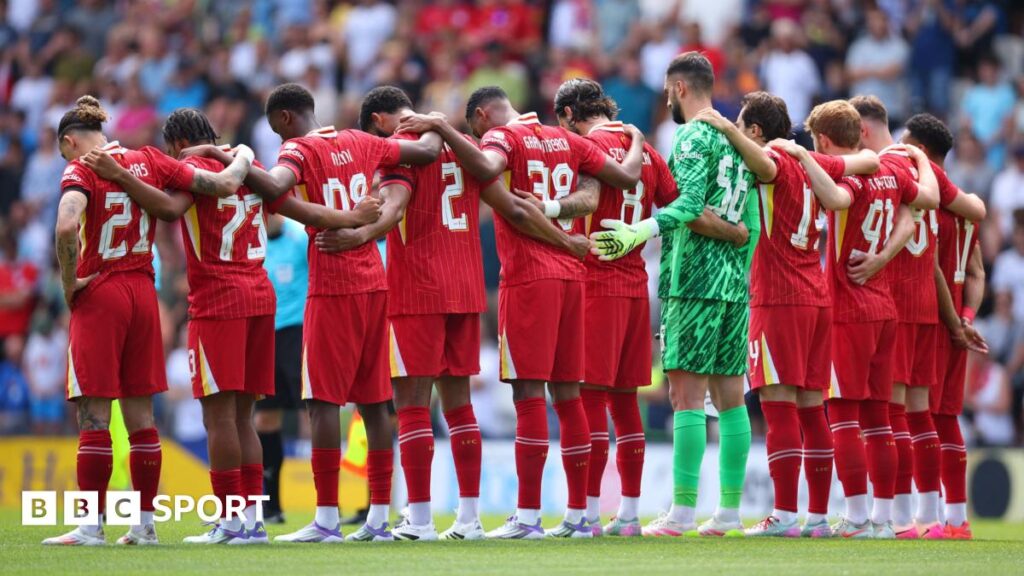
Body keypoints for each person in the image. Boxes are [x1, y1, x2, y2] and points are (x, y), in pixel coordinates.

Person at [397, 84, 644, 538]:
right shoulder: (566, 139)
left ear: (482, 116)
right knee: (568, 397)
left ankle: (528, 516)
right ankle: (579, 516)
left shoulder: (501, 138)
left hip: (530, 278)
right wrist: (639, 142)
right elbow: (625, 178)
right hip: (574, 280)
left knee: (529, 395)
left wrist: (441, 128)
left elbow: (490, 173)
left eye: (475, 131)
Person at [233, 83, 440, 543]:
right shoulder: (361, 141)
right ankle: (379, 517)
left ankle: (327, 518)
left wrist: (242, 159)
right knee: (375, 403)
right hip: (374, 283)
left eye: (275, 129)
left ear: (286, 118)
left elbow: (275, 188)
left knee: (322, 401)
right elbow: (427, 152)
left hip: (331, 285)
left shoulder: (299, 150)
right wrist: (435, 123)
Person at [44, 95, 254, 546]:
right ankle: (144, 526)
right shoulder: (150, 160)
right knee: (142, 416)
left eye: (64, 151)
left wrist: (69, 282)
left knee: (94, 414)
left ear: (70, 141)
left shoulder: (81, 170)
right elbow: (223, 185)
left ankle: (90, 526)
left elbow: (65, 227)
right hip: (144, 293)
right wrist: (245, 155)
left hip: (101, 292)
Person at [692, 92, 881, 537]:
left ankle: (784, 515)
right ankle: (817, 517)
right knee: (813, 411)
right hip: (816, 298)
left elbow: (765, 165)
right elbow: (869, 161)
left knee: (778, 410)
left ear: (755, 131)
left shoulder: (775, 158)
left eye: (742, 126)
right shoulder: (809, 160)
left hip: (778, 299)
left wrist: (724, 128)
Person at [592, 52, 759, 537]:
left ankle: (682, 512)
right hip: (733, 285)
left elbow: (687, 205)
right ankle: (728, 512)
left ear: (680, 88)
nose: (667, 99)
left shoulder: (690, 136)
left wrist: (639, 231)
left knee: (686, 395)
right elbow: (749, 222)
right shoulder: (738, 140)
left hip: (692, 281)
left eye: (668, 91)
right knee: (731, 399)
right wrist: (740, 261)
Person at [540, 78, 682, 537]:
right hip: (637, 285)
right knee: (625, 406)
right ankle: (630, 515)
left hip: (594, 284)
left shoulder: (581, 148)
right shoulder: (648, 151)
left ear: (568, 114)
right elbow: (676, 209)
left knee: (588, 401)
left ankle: (584, 514)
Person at [803, 99, 936, 539]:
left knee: (843, 416)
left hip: (848, 310)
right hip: (884, 309)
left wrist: (801, 157)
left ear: (824, 141)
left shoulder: (853, 179)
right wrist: (920, 159)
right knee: (880, 419)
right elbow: (926, 202)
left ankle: (857, 517)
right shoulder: (892, 173)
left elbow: (835, 197)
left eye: (814, 142)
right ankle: (883, 519)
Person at [851, 97, 982, 539]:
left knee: (892, 415)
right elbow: (975, 221)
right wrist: (961, 317)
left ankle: (900, 517)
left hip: (898, 303)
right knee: (925, 416)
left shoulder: (887, 169)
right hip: (929, 307)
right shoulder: (932, 177)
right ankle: (937, 517)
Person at [899, 112, 988, 539]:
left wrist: (953, 322)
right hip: (956, 324)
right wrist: (967, 319)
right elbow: (976, 272)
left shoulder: (930, 202)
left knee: (918, 416)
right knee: (947, 418)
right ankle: (956, 518)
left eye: (905, 143)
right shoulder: (965, 206)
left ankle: (927, 515)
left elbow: (931, 267)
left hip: (932, 319)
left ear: (921, 150)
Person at [255, 213, 309, 525]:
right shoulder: (254, 240)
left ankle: (328, 503)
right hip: (265, 335)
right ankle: (272, 505)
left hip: (298, 332)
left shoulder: (299, 238)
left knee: (313, 412)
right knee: (265, 418)